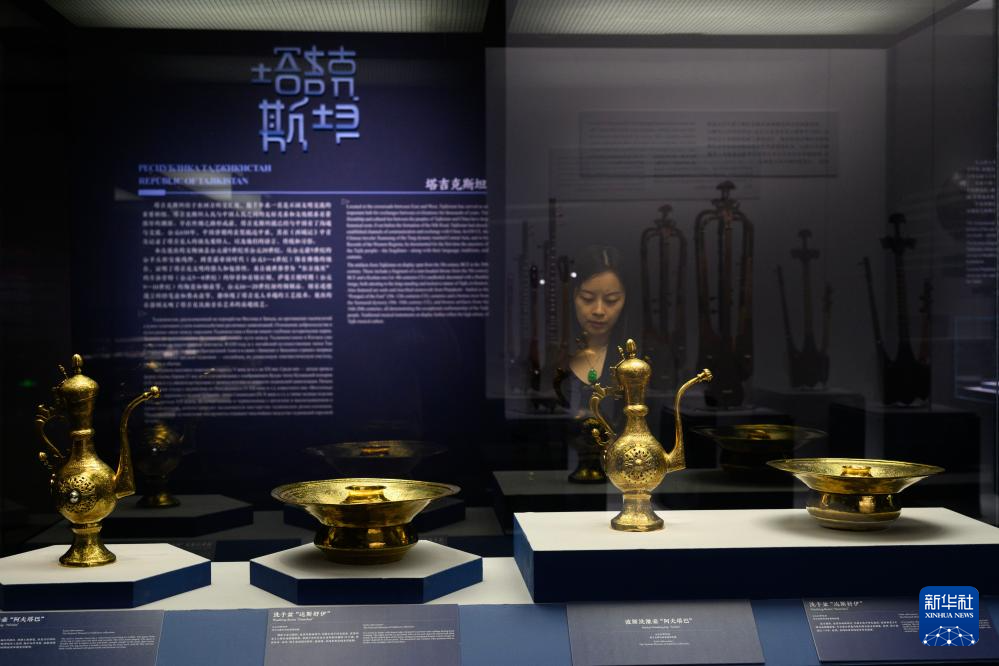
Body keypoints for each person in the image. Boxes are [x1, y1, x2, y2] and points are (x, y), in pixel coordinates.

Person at [560, 246, 630, 418]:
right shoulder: (557, 355)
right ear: (574, 296)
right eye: (587, 298)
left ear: (625, 300)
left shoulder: (632, 361)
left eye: (611, 300)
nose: (598, 310)